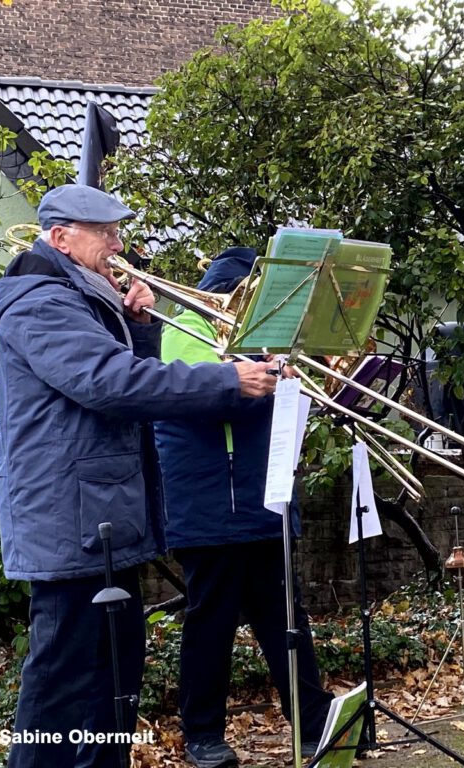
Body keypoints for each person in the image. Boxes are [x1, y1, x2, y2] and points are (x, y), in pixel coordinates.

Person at [0, 185, 281, 768]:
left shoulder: (80, 298)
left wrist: (139, 327)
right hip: (67, 521)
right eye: (106, 234)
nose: (119, 247)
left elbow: (123, 378)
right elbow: (108, 384)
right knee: (62, 685)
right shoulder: (40, 301)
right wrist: (228, 381)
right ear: (61, 237)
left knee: (113, 683)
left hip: (99, 517)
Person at [153, 247, 333, 768]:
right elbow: (194, 399)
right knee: (210, 622)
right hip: (204, 503)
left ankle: (313, 723)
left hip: (264, 498)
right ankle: (203, 734)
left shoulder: (269, 337)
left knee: (286, 620)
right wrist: (257, 373)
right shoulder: (180, 324)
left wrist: (295, 379)